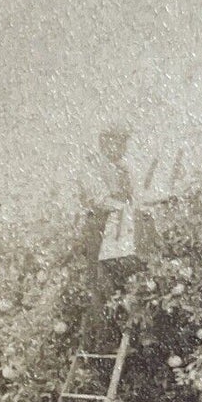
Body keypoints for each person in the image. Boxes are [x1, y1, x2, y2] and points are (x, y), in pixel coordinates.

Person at [75, 123, 170, 352]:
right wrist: (122, 207)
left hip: (122, 228)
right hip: (99, 226)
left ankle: (135, 332)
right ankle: (103, 341)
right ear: (106, 143)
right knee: (101, 281)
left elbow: (137, 196)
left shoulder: (126, 168)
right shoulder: (92, 165)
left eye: (124, 143)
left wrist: (160, 198)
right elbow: (97, 198)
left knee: (134, 273)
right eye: (118, 142)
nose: (122, 148)